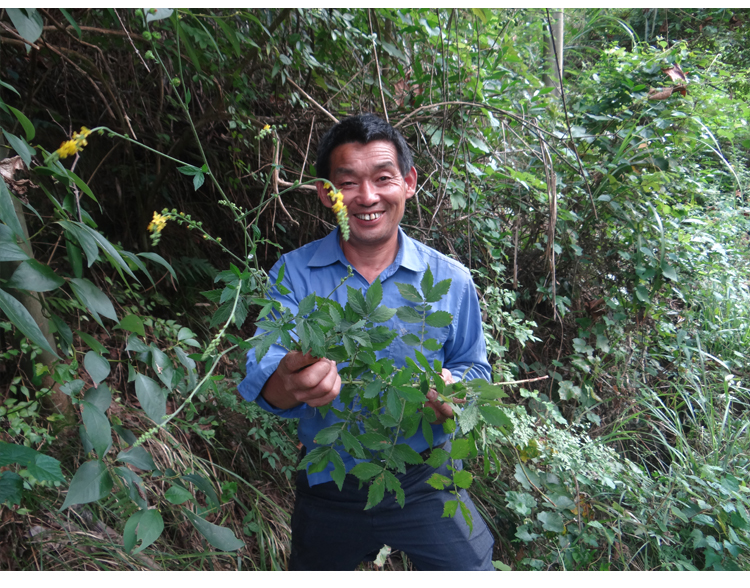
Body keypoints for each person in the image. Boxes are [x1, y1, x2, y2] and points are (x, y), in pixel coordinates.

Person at [238, 114, 495, 571]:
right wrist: (291, 379)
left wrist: (454, 391)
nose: (368, 196)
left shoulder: (450, 280)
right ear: (325, 192)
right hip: (329, 482)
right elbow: (264, 374)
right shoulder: (295, 274)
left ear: (409, 183)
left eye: (382, 178)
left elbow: (475, 368)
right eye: (348, 182)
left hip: (427, 477)